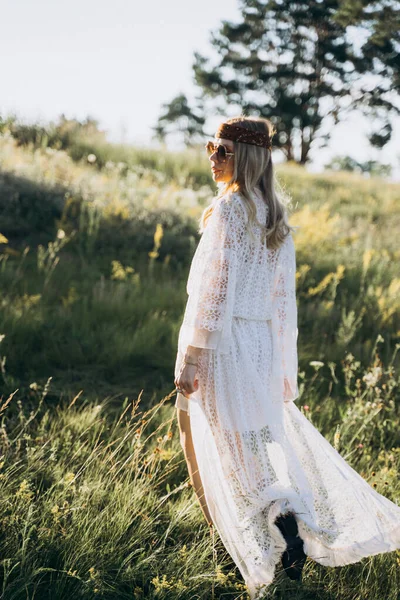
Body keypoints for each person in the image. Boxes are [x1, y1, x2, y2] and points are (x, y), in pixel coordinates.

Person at [173, 116, 400, 600]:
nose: (212, 158)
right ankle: (273, 526)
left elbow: (211, 291)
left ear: (247, 157)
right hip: (258, 345)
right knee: (248, 445)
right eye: (211, 147)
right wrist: (281, 367)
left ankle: (264, 532)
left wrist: (192, 355)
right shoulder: (274, 215)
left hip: (224, 344)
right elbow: (283, 306)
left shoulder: (230, 210)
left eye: (223, 150)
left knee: (221, 448)